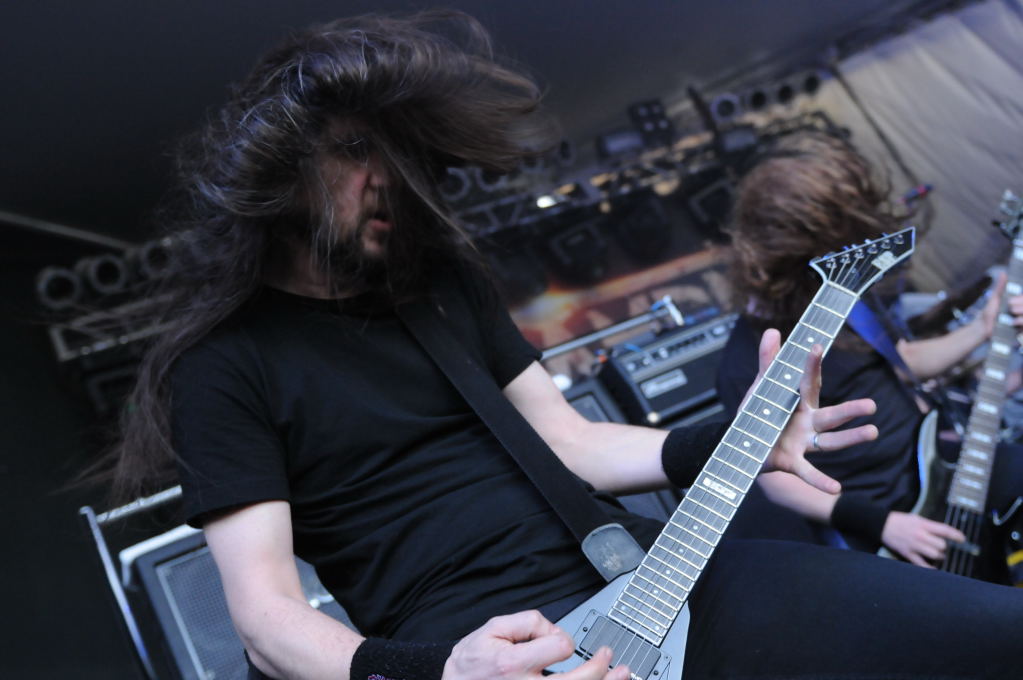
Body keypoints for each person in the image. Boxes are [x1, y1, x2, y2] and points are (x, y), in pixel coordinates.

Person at [100, 12, 1023, 680]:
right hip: (498, 649)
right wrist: (435, 670)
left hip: (652, 571)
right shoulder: (222, 366)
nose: (384, 180)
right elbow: (265, 617)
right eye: (351, 150)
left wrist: (732, 440)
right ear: (280, 169)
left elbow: (570, 441)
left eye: (396, 155)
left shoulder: (440, 286)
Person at [717, 131, 1023, 569]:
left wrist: (982, 329)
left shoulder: (842, 298)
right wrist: (884, 524)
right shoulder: (748, 359)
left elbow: (906, 361)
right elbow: (773, 479)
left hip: (935, 461)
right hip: (886, 512)